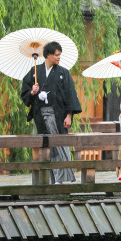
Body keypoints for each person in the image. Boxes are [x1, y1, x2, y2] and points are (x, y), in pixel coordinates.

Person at [20, 41, 82, 184]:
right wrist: (33, 92)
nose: (59, 57)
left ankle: (61, 179)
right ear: (48, 55)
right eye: (56, 55)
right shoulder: (35, 71)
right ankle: (49, 178)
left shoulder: (63, 73)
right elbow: (25, 93)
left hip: (58, 115)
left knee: (59, 144)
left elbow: (70, 95)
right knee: (46, 146)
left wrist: (69, 115)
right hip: (40, 115)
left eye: (60, 55)